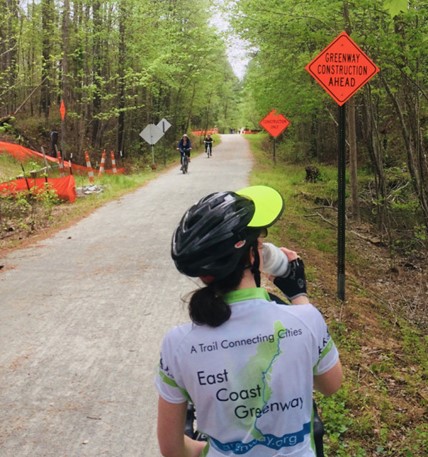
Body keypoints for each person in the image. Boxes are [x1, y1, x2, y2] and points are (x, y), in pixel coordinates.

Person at [156, 185, 343, 457]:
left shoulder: (178, 345)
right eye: (260, 241)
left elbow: (172, 449)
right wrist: (299, 294)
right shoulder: (304, 320)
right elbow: (331, 384)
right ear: (254, 256)